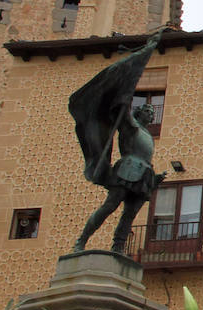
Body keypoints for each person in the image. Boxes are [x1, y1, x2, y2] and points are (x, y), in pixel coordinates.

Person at [69, 31, 166, 253]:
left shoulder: (146, 135)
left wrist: (156, 178)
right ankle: (81, 240)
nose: (151, 114)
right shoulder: (130, 126)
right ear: (139, 112)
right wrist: (125, 96)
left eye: (153, 112)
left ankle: (118, 247)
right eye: (148, 110)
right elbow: (122, 110)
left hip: (144, 174)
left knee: (129, 215)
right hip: (127, 170)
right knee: (110, 206)